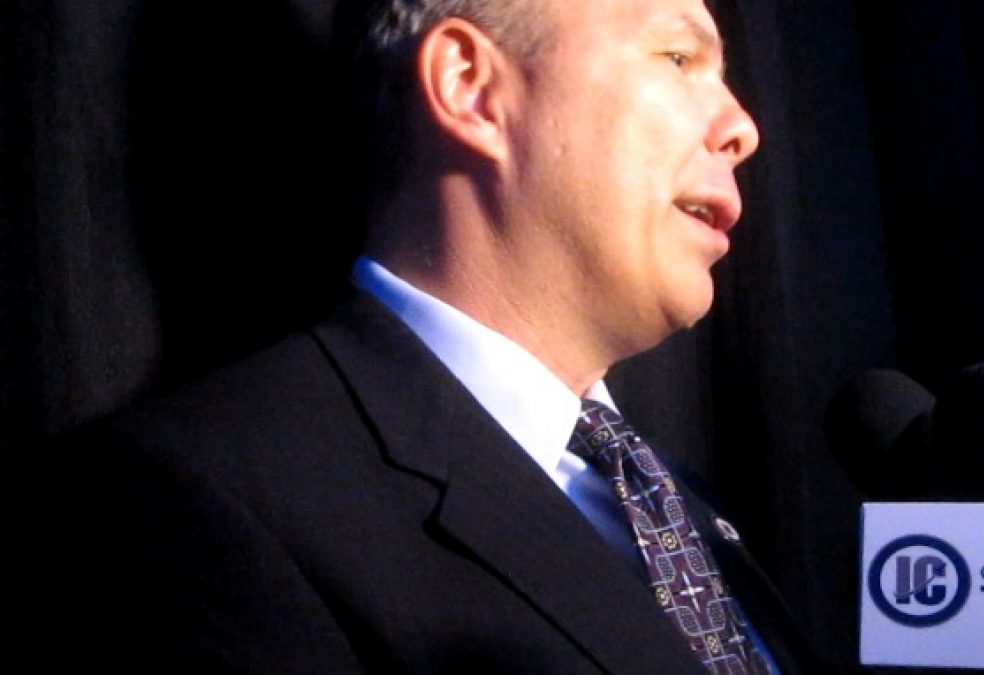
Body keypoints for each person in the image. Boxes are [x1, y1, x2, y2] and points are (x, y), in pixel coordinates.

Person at [27, 0, 840, 672]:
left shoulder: (676, 505)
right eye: (677, 58)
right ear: (469, 86)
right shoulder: (199, 502)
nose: (742, 127)